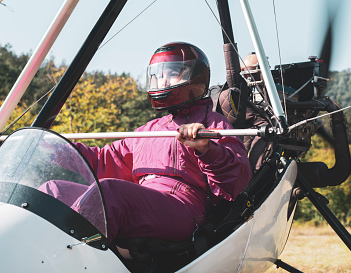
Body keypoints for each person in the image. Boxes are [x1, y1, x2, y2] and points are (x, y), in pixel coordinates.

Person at [45, 42, 252, 244]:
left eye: (171, 74)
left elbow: (236, 179)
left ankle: (62, 251)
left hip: (184, 207)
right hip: (144, 198)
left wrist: (206, 149)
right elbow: (104, 160)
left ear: (194, 77)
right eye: (158, 75)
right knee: (53, 190)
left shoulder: (212, 122)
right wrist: (58, 148)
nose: (162, 81)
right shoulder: (149, 129)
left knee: (110, 193)